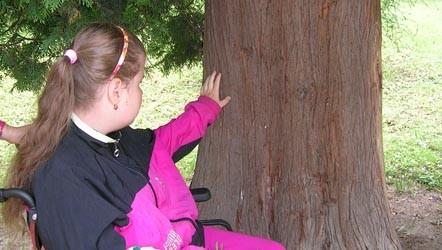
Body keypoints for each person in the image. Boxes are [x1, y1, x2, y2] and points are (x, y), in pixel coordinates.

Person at [0, 23, 285, 250]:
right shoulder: (64, 175)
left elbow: (162, 143)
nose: (141, 93)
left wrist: (205, 109)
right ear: (116, 91)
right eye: (139, 83)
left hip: (183, 236)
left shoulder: (112, 139)